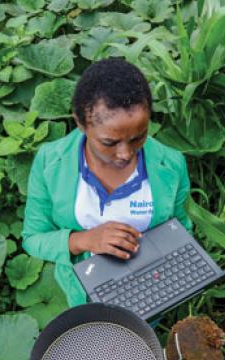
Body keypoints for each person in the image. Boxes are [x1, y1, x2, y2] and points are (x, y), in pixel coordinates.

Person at [22, 58, 193, 308]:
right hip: (81, 292)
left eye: (138, 137)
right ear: (80, 123)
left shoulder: (171, 165)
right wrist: (84, 240)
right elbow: (33, 238)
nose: (125, 154)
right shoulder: (51, 162)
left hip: (151, 292)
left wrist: (161, 265)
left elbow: (181, 227)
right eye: (109, 143)